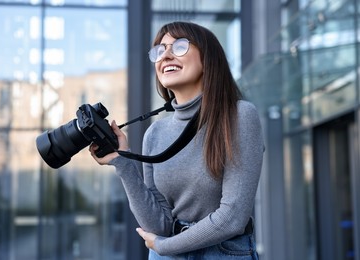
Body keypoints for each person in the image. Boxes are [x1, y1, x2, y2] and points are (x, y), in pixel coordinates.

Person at [89, 21, 264, 259]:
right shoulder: (155, 133)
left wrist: (164, 247)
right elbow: (159, 226)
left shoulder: (239, 115)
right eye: (160, 51)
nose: (166, 55)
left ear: (208, 58)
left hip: (219, 252)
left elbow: (233, 218)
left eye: (180, 46)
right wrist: (122, 162)